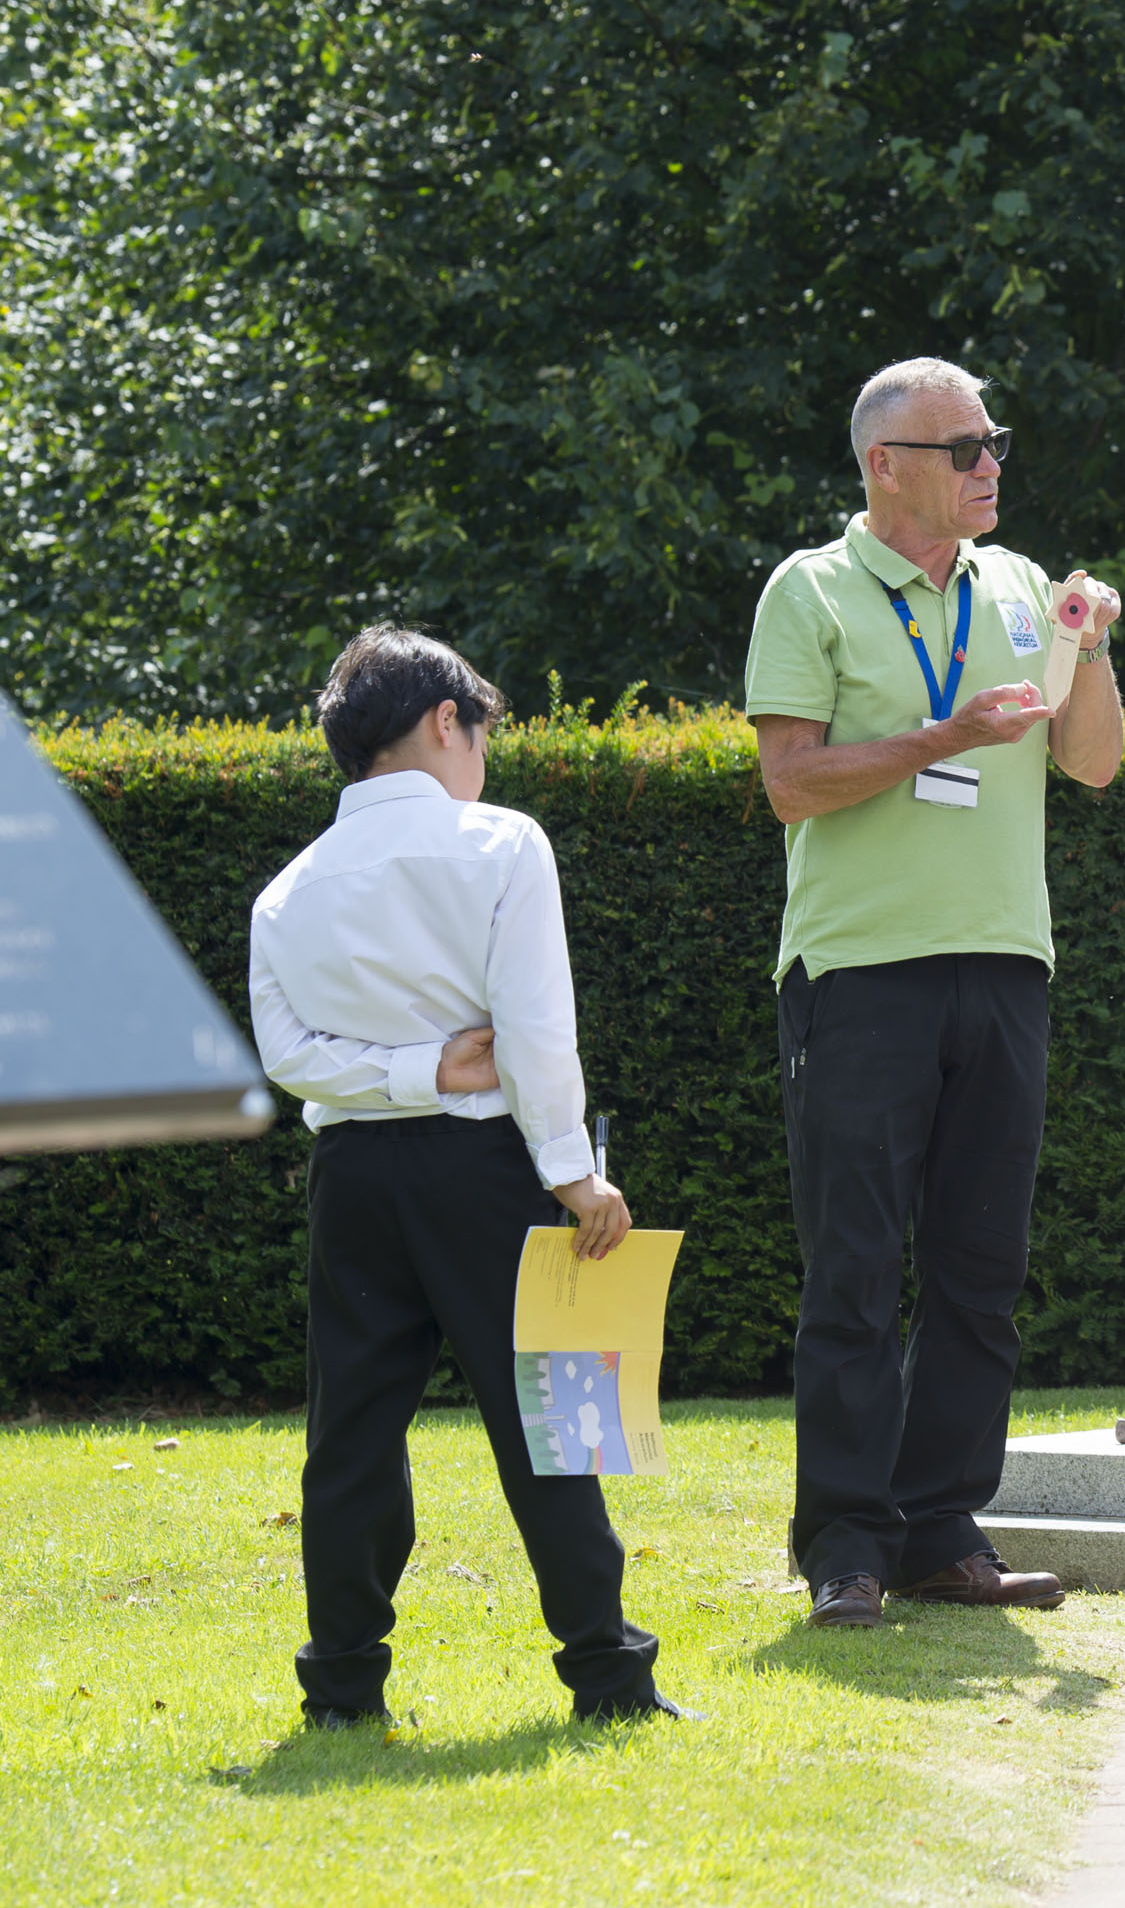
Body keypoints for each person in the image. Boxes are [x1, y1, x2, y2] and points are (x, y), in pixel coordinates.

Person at [248, 625, 686, 1728]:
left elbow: (286, 1056)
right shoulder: (502, 843)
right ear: (447, 721)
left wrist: (401, 1070)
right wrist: (576, 1173)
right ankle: (608, 1672)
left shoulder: (285, 892)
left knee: (349, 1431)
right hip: (488, 1168)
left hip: (349, 1172)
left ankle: (342, 1687)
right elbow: (538, 1029)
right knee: (551, 1420)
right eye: (480, 731)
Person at [743, 357, 1121, 1628]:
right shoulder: (814, 589)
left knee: (980, 1266)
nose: (990, 464)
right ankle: (846, 1544)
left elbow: (1095, 764)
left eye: (994, 442)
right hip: (859, 970)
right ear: (884, 464)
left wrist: (1093, 650)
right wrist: (939, 740)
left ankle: (942, 1527)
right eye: (964, 446)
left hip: (1007, 960)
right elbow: (792, 782)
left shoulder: (1022, 587)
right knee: (854, 1264)